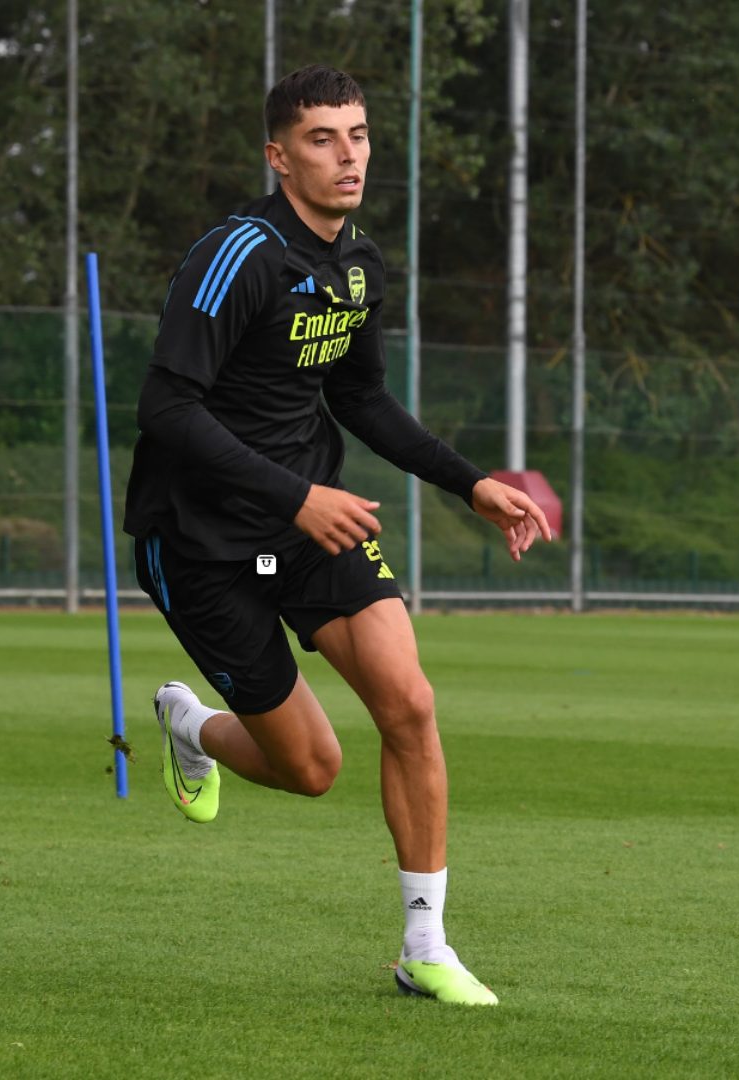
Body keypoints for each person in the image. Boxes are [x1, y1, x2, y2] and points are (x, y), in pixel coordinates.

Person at [123, 64, 551, 1007]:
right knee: (313, 770)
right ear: (279, 156)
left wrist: (469, 482)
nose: (347, 154)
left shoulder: (359, 262)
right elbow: (166, 406)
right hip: (200, 541)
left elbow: (360, 398)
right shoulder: (237, 254)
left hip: (311, 524)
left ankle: (425, 948)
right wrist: (295, 494)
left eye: (358, 134)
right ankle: (188, 722)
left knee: (410, 703)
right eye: (323, 138)